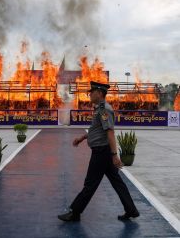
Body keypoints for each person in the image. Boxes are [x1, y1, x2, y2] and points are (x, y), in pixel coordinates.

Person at [58, 81, 139, 222]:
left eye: (92, 91)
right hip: (104, 152)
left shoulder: (104, 109)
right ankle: (131, 210)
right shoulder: (99, 109)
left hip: (102, 153)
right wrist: (82, 138)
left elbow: (110, 132)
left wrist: (114, 155)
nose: (90, 94)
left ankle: (75, 212)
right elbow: (97, 130)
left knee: (90, 183)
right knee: (117, 182)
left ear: (100, 93)